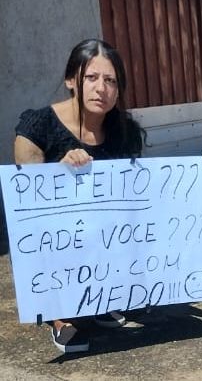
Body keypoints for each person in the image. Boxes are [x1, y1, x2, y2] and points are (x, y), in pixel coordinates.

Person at [14, 39, 145, 353]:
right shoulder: (38, 128)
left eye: (111, 80)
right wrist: (58, 173)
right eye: (91, 77)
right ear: (71, 80)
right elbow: (27, 211)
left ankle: (103, 296)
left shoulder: (125, 131)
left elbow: (137, 199)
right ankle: (58, 314)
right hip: (56, 240)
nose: (101, 88)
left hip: (103, 237)